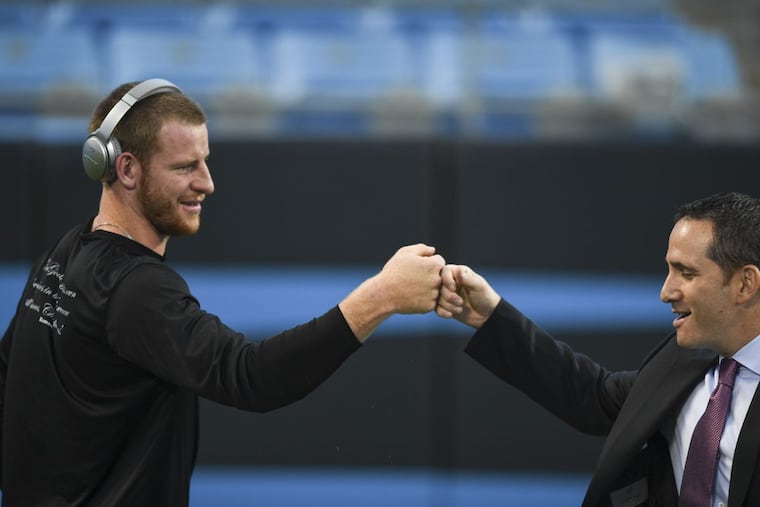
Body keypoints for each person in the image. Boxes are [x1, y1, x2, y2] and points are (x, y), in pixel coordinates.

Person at [0, 79, 445, 506]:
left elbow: (8, 377)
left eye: (205, 161)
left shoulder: (61, 255)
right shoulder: (139, 290)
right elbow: (252, 377)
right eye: (185, 167)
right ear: (127, 169)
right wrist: (382, 296)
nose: (207, 183)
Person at [436, 191, 760, 507]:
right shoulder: (685, 357)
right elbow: (595, 396)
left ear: (745, 284)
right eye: (669, 270)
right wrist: (490, 315)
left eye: (687, 273)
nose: (666, 292)